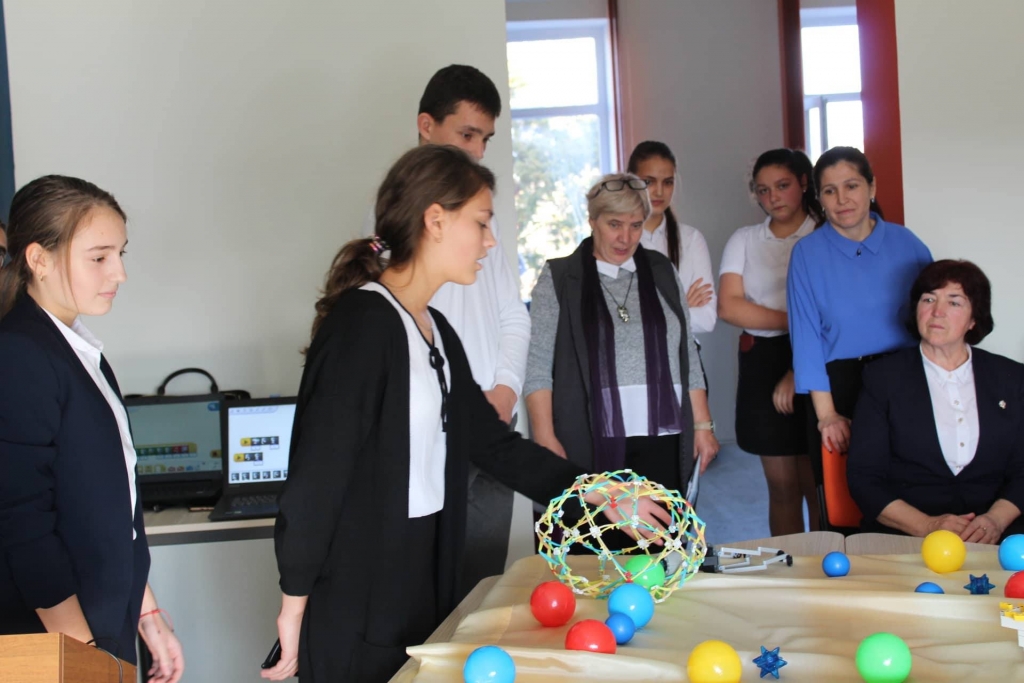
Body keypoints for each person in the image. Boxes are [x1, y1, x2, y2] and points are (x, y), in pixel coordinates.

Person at [262, 146, 669, 683]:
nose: (490, 240)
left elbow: (496, 446)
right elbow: (317, 477)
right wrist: (294, 606)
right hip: (359, 599)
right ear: (435, 220)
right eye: (481, 222)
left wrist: (599, 491)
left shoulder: (435, 330)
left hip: (423, 579)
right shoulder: (361, 325)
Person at [0, 176, 183, 681]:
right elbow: (21, 522)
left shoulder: (79, 352)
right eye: (99, 257)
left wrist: (146, 613)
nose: (119, 272)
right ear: (39, 259)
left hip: (103, 625)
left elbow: (113, 508)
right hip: (60, 642)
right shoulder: (20, 354)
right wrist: (82, 655)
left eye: (119, 254)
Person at [364, 64, 528, 595]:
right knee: (432, 589)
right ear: (426, 125)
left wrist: (504, 391)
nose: (478, 151)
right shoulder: (389, 233)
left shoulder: (486, 221)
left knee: (483, 586)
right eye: (467, 134)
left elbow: (513, 314)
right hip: (433, 432)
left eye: (486, 139)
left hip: (494, 419)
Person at [524, 172, 720, 527]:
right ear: (592, 220)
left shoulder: (661, 271)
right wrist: (545, 436)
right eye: (614, 224)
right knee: (598, 539)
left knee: (661, 537)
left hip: (663, 433)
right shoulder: (559, 278)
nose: (625, 238)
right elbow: (537, 364)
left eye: (635, 225)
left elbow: (686, 354)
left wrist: (703, 425)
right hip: (588, 433)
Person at [848, 260, 1024, 543]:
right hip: (907, 537)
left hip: (1000, 537)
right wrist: (926, 526)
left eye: (954, 302)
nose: (937, 311)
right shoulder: (882, 378)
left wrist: (995, 521)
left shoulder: (1011, 378)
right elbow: (864, 478)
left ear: (974, 319)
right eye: (928, 299)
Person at [787, 147, 932, 468]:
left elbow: (935, 321)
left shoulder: (907, 243)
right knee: (847, 488)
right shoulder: (806, 254)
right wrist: (827, 415)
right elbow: (806, 340)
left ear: (872, 187)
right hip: (839, 388)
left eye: (851, 186)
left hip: (907, 378)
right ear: (819, 198)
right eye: (830, 191)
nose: (842, 199)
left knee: (916, 480)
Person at [718, 149, 822, 535]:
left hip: (816, 357)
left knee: (817, 486)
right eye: (763, 190)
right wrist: (798, 320)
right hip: (761, 361)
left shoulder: (823, 234)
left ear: (803, 183)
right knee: (781, 487)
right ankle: (789, 567)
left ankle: (826, 563)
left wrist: (801, 354)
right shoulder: (745, 239)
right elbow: (729, 307)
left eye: (782, 185)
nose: (773, 197)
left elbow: (833, 312)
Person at [627, 141, 716, 336]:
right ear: (630, 181)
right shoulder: (617, 240)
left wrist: (649, 315)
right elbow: (618, 320)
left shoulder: (691, 239)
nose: (659, 191)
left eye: (667, 182)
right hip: (631, 355)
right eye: (649, 182)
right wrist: (681, 306)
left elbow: (707, 319)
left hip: (683, 353)